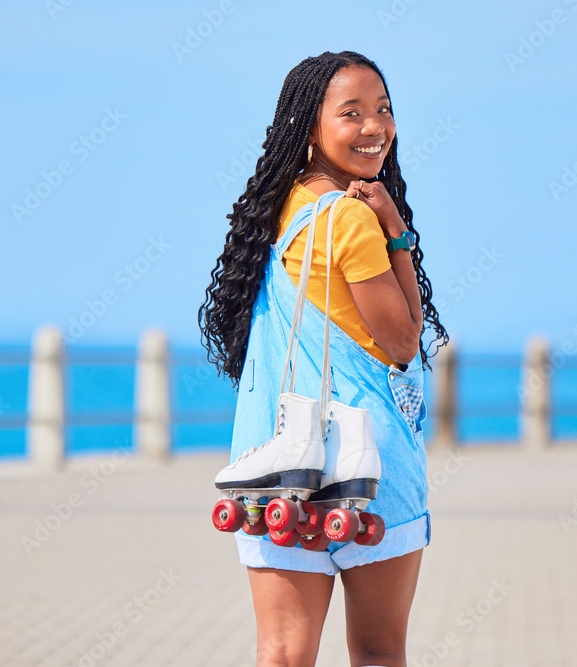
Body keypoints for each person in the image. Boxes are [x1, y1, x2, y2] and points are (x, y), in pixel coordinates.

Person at [198, 50, 448, 667]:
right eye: (353, 113)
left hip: (278, 463)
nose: (375, 128)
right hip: (368, 465)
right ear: (310, 125)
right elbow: (401, 340)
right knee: (378, 649)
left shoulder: (275, 209)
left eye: (384, 110)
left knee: (281, 653)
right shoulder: (353, 219)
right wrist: (396, 231)